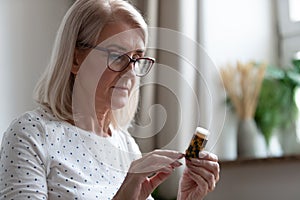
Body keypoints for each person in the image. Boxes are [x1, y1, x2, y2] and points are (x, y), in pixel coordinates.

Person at [0, 0, 220, 199]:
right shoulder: (30, 135)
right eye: (117, 56)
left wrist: (186, 198)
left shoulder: (125, 145)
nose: (131, 73)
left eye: (137, 58)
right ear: (76, 59)